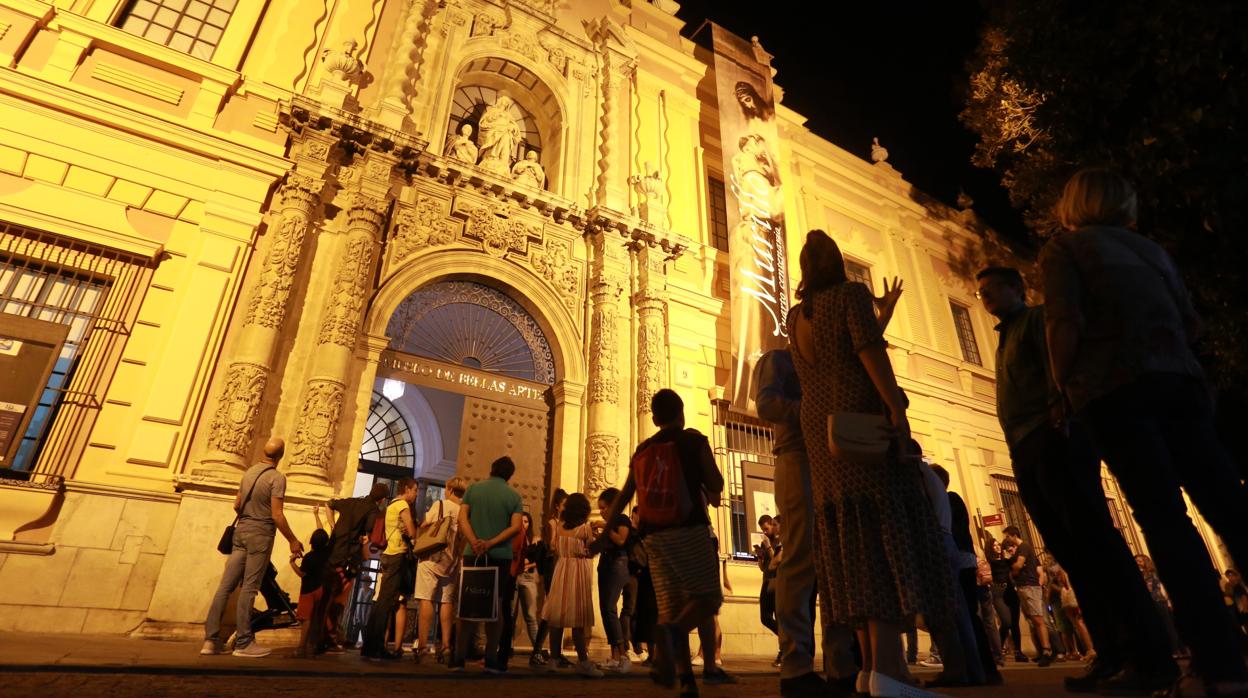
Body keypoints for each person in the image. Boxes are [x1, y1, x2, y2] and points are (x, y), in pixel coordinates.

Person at [1041, 168, 1248, 698]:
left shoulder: (1066, 250)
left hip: (1115, 391)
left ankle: (1219, 667)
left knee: (1164, 520)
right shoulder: (1151, 251)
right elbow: (1192, 324)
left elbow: (1064, 322)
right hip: (1179, 383)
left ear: (1073, 205)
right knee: (1230, 507)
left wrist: (1062, 385)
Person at [978, 260, 1181, 693]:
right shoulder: (1006, 336)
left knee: (1096, 543)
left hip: (1053, 438)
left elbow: (1059, 367)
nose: (986, 297)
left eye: (994, 288)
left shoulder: (1035, 321)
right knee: (1072, 551)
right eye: (982, 292)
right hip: (1025, 447)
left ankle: (1149, 655)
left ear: (1018, 289)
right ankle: (1109, 655)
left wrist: (1059, 409)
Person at [786, 230, 952, 698]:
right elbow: (867, 351)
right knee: (881, 537)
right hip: (860, 418)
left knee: (848, 541)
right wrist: (896, 409)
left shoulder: (796, 314)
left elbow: (843, 344)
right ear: (838, 262)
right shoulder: (851, 295)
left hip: (821, 430)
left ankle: (869, 670)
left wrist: (885, 312)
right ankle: (892, 671)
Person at [593, 389, 725, 698]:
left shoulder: (642, 449)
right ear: (682, 412)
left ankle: (686, 681)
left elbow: (624, 495)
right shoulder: (694, 440)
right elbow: (717, 484)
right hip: (690, 530)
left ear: (653, 418)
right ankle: (676, 634)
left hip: (656, 538)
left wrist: (602, 535)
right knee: (706, 599)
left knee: (670, 606)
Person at [754, 346, 861, 697]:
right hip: (797, 457)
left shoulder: (831, 362)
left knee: (835, 564)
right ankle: (796, 667)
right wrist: (814, 410)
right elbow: (767, 404)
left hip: (833, 458)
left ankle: (841, 664)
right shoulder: (780, 360)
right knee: (800, 560)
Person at [202, 437, 304, 658]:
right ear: (281, 455)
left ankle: (210, 641)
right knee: (249, 588)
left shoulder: (248, 473)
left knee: (225, 587)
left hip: (241, 532)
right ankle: (244, 642)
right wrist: (293, 540)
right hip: (260, 534)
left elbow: (237, 504)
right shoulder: (277, 478)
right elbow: (277, 514)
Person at [452, 456, 524, 673]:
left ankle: (458, 658)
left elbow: (462, 518)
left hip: (472, 553)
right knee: (496, 605)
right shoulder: (513, 495)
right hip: (500, 555)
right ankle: (491, 658)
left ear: (492, 469)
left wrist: (474, 541)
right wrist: (491, 542)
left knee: (467, 604)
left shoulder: (473, 490)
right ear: (510, 475)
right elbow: (516, 527)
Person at [316, 482, 388, 653]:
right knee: (339, 599)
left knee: (327, 597)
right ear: (383, 499)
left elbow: (328, 504)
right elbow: (370, 534)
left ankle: (327, 635)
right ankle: (329, 637)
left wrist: (333, 526)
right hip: (348, 557)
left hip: (332, 552)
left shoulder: (351, 502)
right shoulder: (373, 510)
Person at [540, 493, 602, 678]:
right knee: (578, 619)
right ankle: (583, 661)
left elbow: (556, 548)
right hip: (578, 571)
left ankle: (553, 659)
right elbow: (591, 551)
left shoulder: (559, 526)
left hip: (562, 569)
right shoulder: (584, 529)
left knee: (557, 617)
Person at [362, 478, 418, 660]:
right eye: (415, 490)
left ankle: (369, 645)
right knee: (385, 602)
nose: (416, 494)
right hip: (396, 555)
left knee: (381, 602)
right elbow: (412, 531)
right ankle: (376, 647)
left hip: (387, 554)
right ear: (407, 489)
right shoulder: (402, 504)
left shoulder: (392, 504)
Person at [413, 476, 466, 664]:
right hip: (451, 562)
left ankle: (422, 647)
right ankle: (445, 646)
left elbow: (424, 525)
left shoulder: (440, 505)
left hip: (431, 557)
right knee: (446, 602)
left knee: (426, 599)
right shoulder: (463, 512)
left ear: (449, 490)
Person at [595, 487, 635, 673]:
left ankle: (624, 654)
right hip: (605, 563)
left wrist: (605, 527)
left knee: (610, 608)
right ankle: (615, 656)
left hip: (618, 564)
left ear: (613, 505)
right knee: (606, 609)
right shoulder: (611, 522)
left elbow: (621, 540)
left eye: (604, 508)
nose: (602, 512)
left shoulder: (621, 519)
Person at [1000, 526, 1052, 665]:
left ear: (1013, 535)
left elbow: (1018, 566)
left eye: (1007, 537)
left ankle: (1047, 650)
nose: (1007, 540)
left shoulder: (1023, 547)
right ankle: (1043, 650)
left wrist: (1012, 564)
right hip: (1024, 586)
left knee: (1038, 619)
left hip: (1030, 586)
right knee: (1033, 619)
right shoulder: (1021, 549)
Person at [532, 489, 568, 668]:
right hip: (553, 566)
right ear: (557, 506)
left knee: (558, 610)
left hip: (559, 565)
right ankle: (537, 651)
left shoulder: (561, 522)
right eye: (564, 505)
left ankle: (555, 653)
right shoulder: (553, 523)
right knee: (551, 608)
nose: (566, 508)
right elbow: (552, 546)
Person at [291, 528, 331, 657]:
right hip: (322, 589)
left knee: (306, 619)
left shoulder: (309, 557)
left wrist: (292, 563)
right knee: (317, 619)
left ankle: (301, 648)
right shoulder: (328, 555)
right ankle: (312, 646)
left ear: (312, 542)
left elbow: (302, 574)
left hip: (308, 590)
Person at [1136, 555, 1184, 656]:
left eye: (1140, 561)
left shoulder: (1151, 574)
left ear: (1145, 562)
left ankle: (1175, 649)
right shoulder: (1142, 574)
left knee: (1168, 626)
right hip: (1151, 603)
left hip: (1158, 601)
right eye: (1136, 561)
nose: (1138, 563)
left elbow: (1151, 588)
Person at [754, 514, 782, 666]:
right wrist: (759, 557)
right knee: (765, 617)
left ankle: (783, 650)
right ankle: (786, 637)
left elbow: (776, 561)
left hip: (777, 582)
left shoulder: (778, 541)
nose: (764, 532)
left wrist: (769, 547)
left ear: (772, 525)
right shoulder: (765, 544)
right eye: (762, 530)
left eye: (766, 528)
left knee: (779, 616)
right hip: (766, 582)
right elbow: (764, 567)